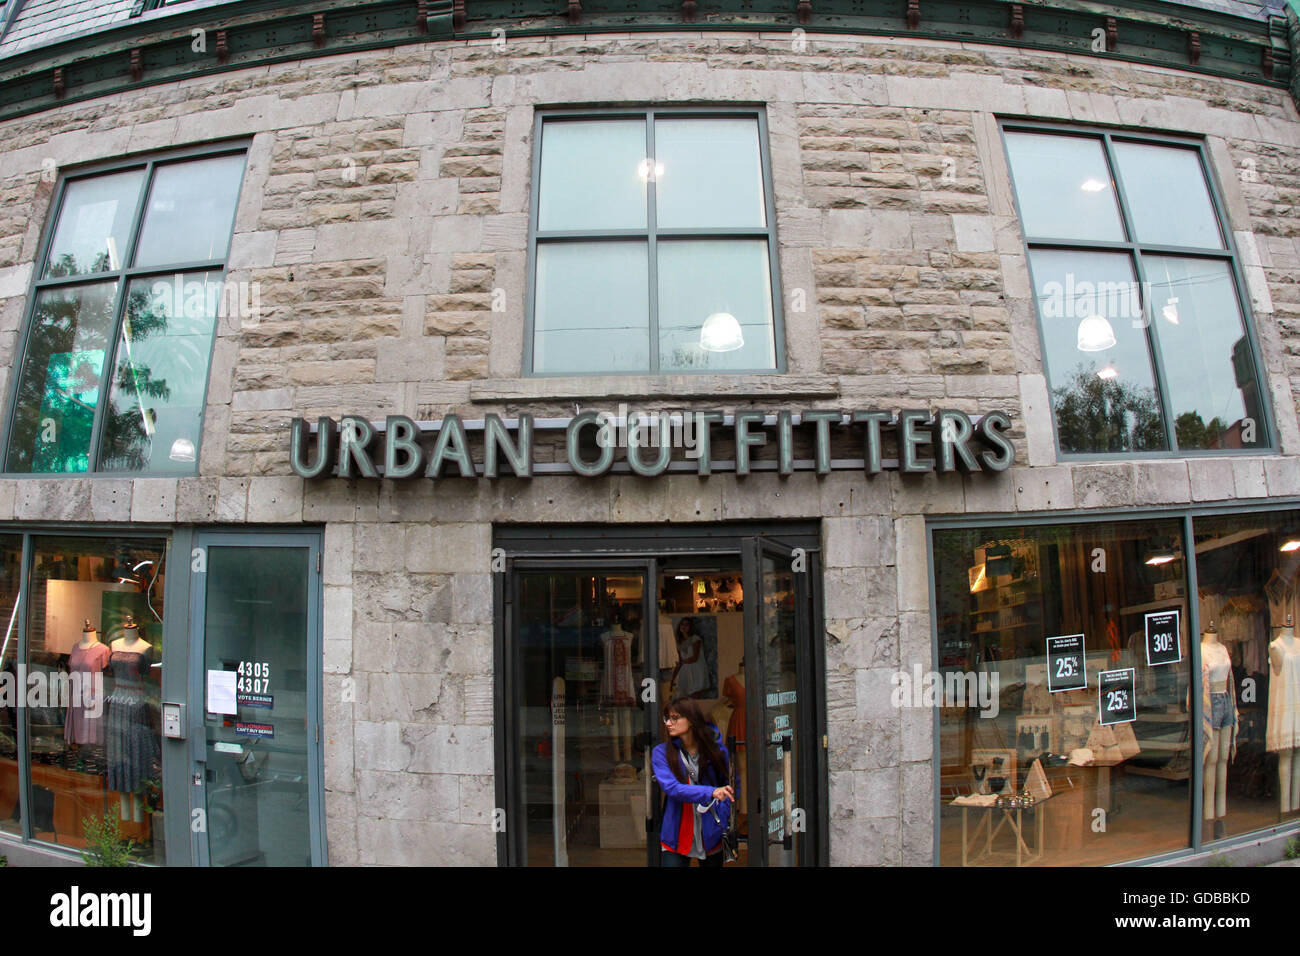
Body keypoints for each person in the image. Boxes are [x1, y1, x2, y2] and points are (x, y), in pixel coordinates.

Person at [652, 696, 733, 867]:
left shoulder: (715, 750)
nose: (668, 723)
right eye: (667, 718)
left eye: (675, 718)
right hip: (677, 833)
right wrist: (711, 792)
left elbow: (730, 785)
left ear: (691, 720)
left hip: (711, 832)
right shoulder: (661, 753)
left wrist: (723, 817)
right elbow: (672, 788)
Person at [672, 617, 710, 699]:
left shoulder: (695, 639)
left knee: (695, 697)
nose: (684, 626)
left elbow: (694, 658)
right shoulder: (679, 642)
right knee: (684, 698)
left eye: (686, 625)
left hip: (696, 670)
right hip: (686, 671)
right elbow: (679, 660)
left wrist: (682, 663)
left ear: (690, 627)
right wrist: (673, 678)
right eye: (682, 624)